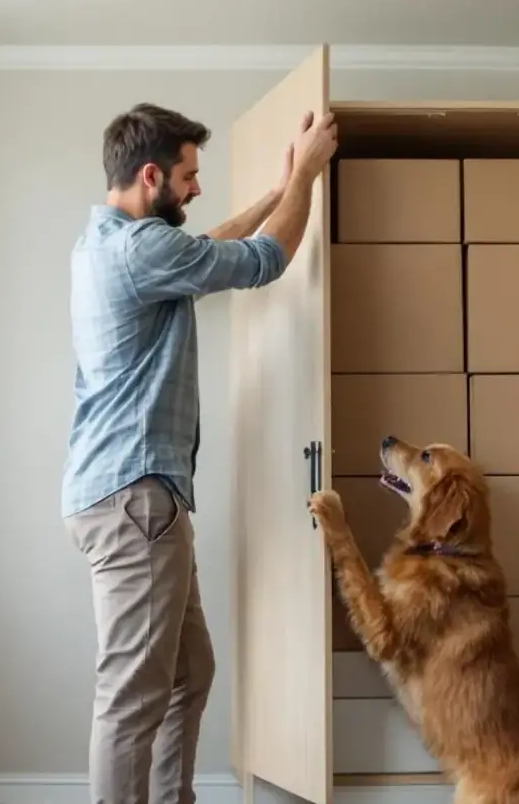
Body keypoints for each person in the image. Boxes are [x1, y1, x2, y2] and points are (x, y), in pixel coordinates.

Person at [61, 103, 338, 804]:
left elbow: (209, 245)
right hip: (137, 498)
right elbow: (264, 260)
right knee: (132, 695)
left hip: (129, 496)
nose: (195, 188)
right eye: (187, 175)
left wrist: (280, 190)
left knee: (189, 673)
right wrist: (308, 173)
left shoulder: (112, 243)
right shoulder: (139, 249)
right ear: (150, 174)